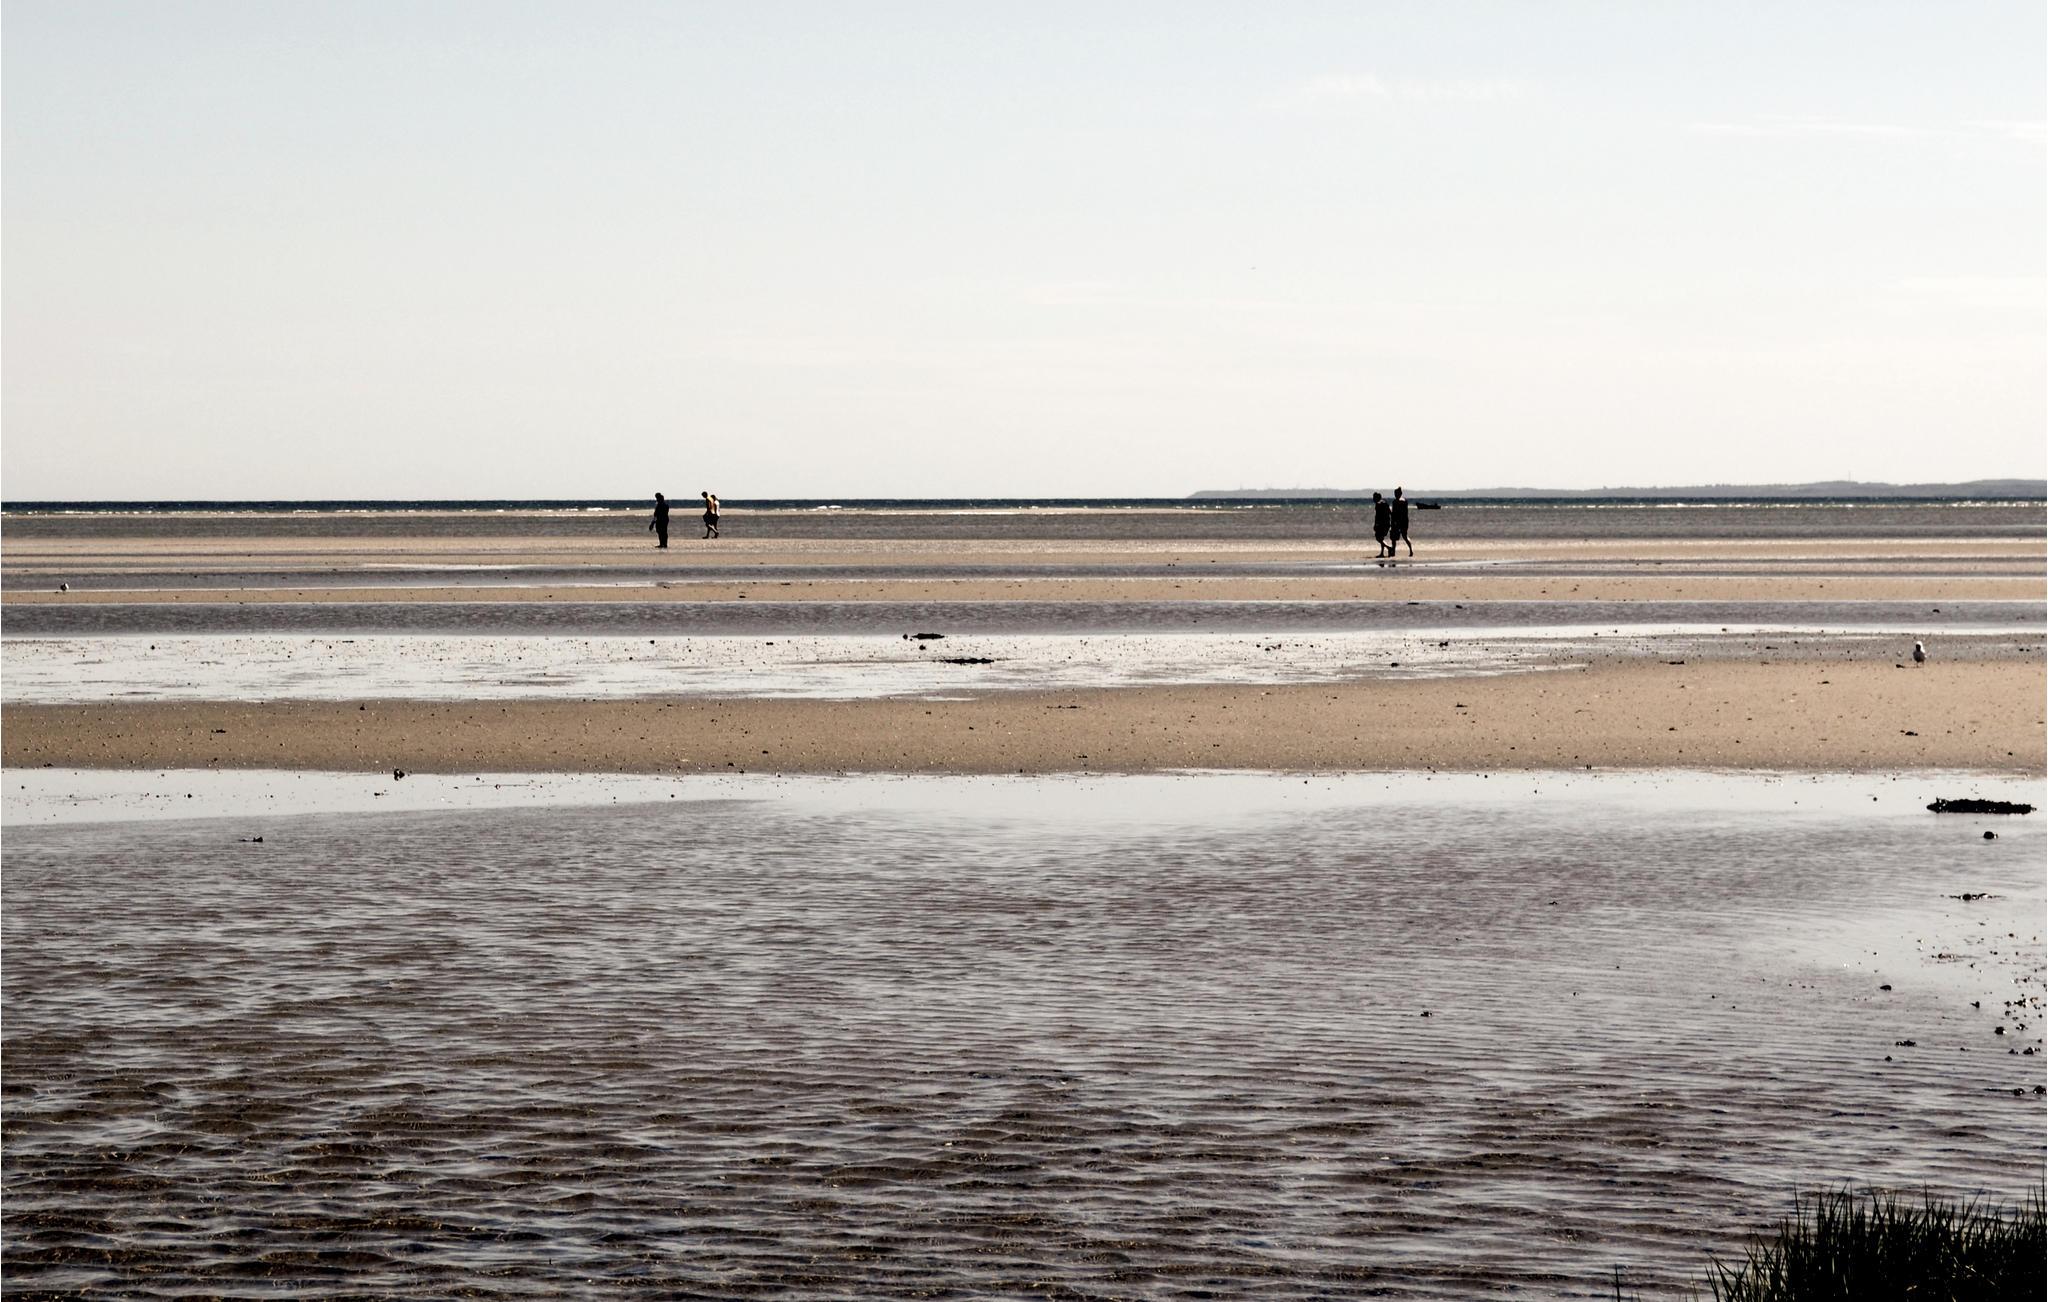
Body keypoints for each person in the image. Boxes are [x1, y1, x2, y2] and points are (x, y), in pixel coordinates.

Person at [1390, 486, 1412, 558]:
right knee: (1395, 537)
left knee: (1403, 536)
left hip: (1401, 521)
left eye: (1396, 493)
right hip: (1401, 521)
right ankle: (1394, 552)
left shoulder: (1399, 501)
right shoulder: (1401, 501)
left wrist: (1395, 521)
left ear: (1400, 494)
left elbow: (1396, 513)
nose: (1395, 495)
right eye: (1395, 494)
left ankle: (1410, 550)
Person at [1370, 491, 1390, 559]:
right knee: (1381, 538)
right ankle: (1382, 553)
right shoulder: (1385, 503)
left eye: (1374, 498)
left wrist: (1376, 524)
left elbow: (1378, 516)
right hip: (1387, 523)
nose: (1373, 499)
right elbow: (1390, 512)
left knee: (1378, 538)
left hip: (1381, 524)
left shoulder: (1378, 504)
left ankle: (1389, 548)